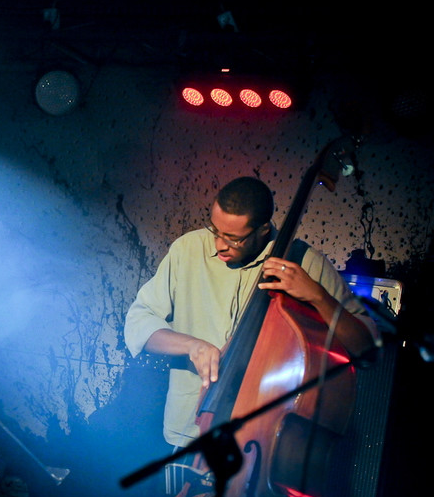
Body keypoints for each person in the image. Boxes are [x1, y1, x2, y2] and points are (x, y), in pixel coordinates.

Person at [124, 176, 381, 462]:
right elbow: (138, 324)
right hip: (189, 434)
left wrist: (318, 296)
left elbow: (367, 349)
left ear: (263, 230)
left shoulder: (304, 263)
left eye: (233, 238)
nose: (220, 245)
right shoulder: (187, 250)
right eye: (215, 230)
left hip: (260, 442)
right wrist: (191, 346)